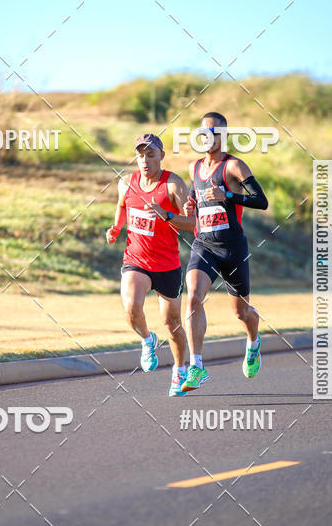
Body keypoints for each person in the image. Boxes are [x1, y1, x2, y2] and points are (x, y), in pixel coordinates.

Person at [181, 112, 269, 392]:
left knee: (241, 312)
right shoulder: (194, 167)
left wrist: (229, 196)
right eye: (205, 131)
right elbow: (196, 199)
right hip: (203, 245)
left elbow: (261, 201)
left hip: (232, 249)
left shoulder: (234, 166)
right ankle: (196, 366)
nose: (209, 136)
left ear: (224, 135)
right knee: (193, 297)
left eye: (215, 132)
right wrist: (190, 207)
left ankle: (253, 343)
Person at [106, 133, 195, 396]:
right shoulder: (127, 183)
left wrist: (167, 215)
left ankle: (179, 371)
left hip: (167, 264)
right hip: (136, 260)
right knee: (132, 306)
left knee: (172, 323)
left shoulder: (173, 185)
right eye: (140, 155)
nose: (145, 161)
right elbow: (122, 206)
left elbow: (193, 224)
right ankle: (147, 340)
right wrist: (116, 227)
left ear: (161, 156)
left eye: (151, 155)